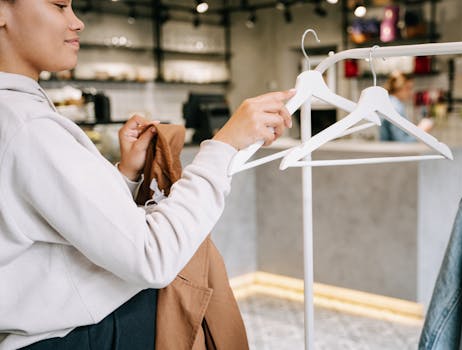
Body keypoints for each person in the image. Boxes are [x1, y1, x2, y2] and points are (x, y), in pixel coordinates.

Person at [0, 1, 293, 349]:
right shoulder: (27, 125)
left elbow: (40, 226)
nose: (77, 22)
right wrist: (223, 147)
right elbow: (153, 256)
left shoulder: (19, 116)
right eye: (59, 5)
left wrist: (125, 175)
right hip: (72, 339)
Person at [379, 71, 433, 142]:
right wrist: (421, 131)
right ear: (399, 87)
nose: (411, 93)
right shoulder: (396, 108)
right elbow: (401, 142)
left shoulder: (389, 103)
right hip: (393, 152)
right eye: (409, 88)